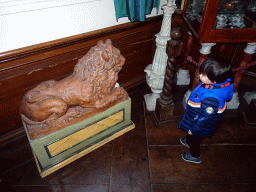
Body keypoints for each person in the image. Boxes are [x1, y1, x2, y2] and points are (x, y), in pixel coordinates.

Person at [179, 55, 234, 164]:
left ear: (215, 80)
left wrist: (193, 129)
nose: (200, 76)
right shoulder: (215, 83)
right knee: (193, 137)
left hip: (201, 125)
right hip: (199, 117)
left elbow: (205, 118)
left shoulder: (211, 98)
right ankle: (190, 139)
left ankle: (195, 156)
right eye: (202, 72)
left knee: (195, 140)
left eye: (203, 75)